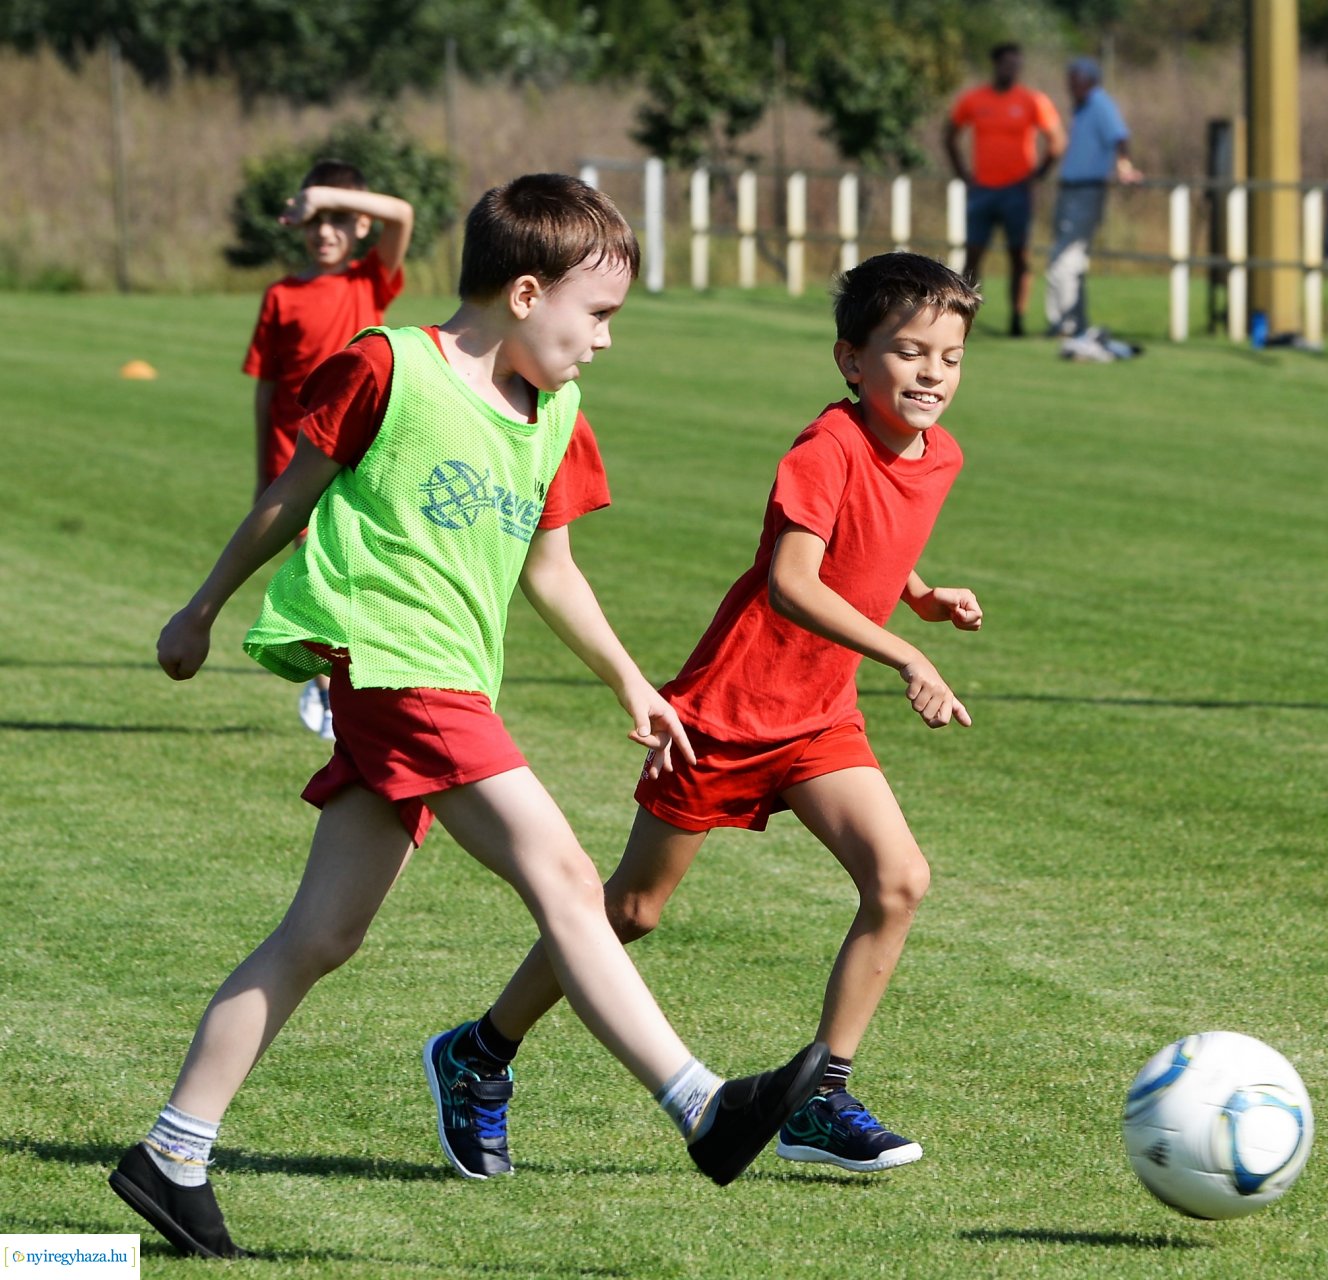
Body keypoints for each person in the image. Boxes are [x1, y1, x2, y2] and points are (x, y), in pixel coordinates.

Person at [110, 173, 827, 1261]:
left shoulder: (555, 412)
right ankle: (701, 1104)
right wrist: (200, 607)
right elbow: (288, 496)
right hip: (396, 672)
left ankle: (171, 1152)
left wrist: (631, 679)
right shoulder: (389, 365)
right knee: (566, 875)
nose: (606, 342)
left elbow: (553, 566)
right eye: (599, 316)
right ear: (526, 292)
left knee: (321, 935)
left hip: (445, 680)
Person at [428, 251, 983, 1178]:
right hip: (728, 712)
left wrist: (917, 596)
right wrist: (907, 653)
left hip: (817, 718)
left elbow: (871, 546)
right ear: (852, 360)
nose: (931, 374)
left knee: (898, 881)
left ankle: (820, 1097)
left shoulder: (940, 453)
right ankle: (480, 1051)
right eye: (908, 352)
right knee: (632, 911)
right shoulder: (826, 447)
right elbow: (793, 579)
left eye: (950, 357)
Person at [243, 160, 415, 744]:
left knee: (358, 570)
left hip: (366, 453)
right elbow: (267, 391)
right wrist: (264, 472)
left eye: (339, 220)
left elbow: (404, 215)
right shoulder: (281, 296)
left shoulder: (370, 280)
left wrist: (318, 193)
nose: (324, 232)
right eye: (315, 221)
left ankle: (352, 685)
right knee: (319, 575)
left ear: (361, 225)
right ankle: (324, 684)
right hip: (298, 458)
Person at [944, 42, 1064, 337]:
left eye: (1017, 64)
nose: (1012, 69)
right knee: (973, 255)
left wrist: (1039, 173)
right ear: (995, 64)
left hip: (1016, 192)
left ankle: (1017, 320)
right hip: (982, 190)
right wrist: (963, 173)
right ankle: (961, 317)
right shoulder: (974, 100)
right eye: (1007, 63)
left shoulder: (1031, 100)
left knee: (1019, 256)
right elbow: (949, 134)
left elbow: (1057, 141)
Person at [1045, 57, 1142, 339]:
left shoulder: (1099, 103)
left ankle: (1067, 323)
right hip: (1072, 189)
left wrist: (1124, 167)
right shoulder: (1084, 107)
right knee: (1065, 258)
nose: (1070, 86)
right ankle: (1070, 320)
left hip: (1085, 190)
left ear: (1088, 80)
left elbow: (1120, 137)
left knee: (1066, 259)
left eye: (1074, 80)